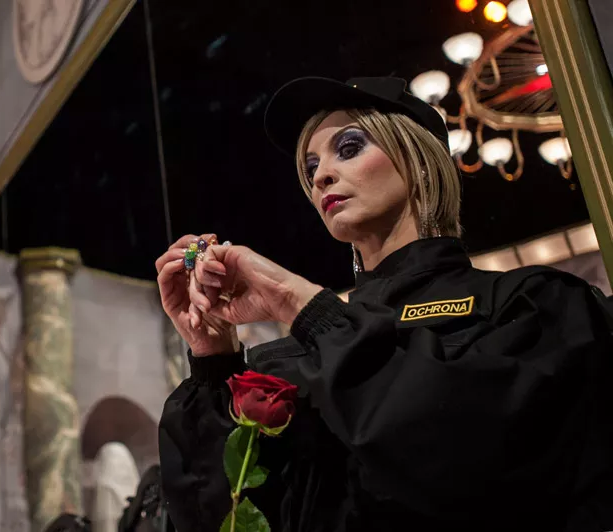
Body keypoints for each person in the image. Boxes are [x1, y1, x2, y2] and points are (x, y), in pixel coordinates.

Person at [155, 77, 613, 532]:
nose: (320, 176)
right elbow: (220, 516)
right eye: (311, 167)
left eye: (349, 147)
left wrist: (302, 305)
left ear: (418, 161)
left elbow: (469, 456)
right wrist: (213, 358)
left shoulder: (534, 304)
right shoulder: (289, 360)